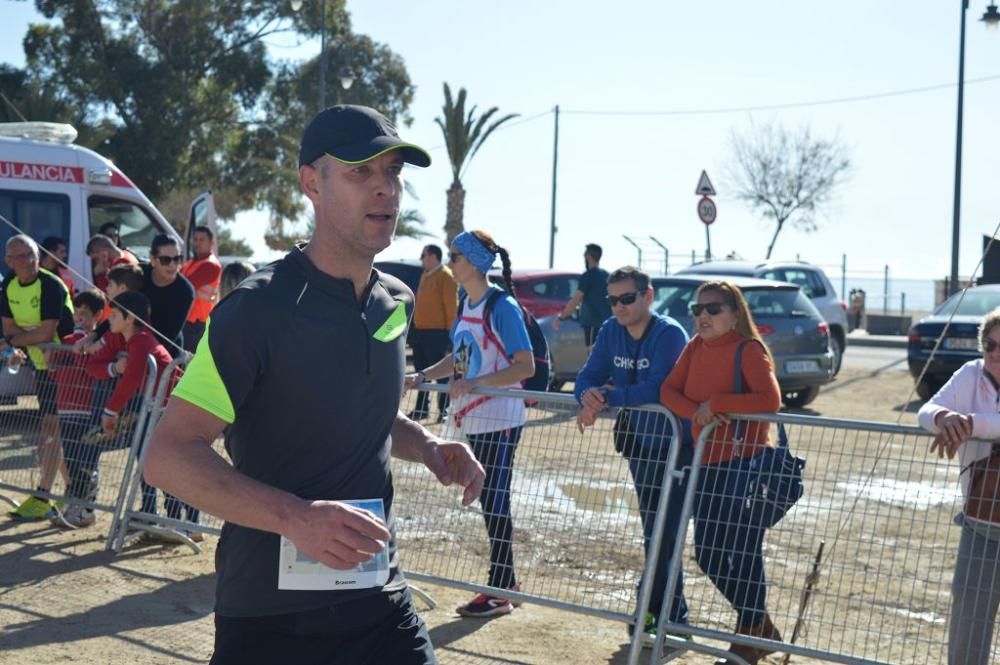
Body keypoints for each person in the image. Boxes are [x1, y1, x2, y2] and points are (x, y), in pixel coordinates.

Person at [143, 104, 484, 665]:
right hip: (270, 618)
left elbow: (359, 408)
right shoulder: (255, 310)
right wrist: (297, 519)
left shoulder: (395, 300)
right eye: (360, 172)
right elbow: (168, 456)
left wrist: (426, 447)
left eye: (393, 172)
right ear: (311, 183)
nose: (386, 190)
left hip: (379, 598)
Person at [405, 230, 535, 618]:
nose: (451, 262)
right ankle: (504, 582)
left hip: (500, 420)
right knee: (491, 502)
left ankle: (501, 586)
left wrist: (475, 383)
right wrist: (424, 375)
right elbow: (459, 357)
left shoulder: (502, 306)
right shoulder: (467, 302)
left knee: (496, 501)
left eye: (456, 255)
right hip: (476, 419)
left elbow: (524, 364)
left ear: (476, 262)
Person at [659, 279, 783, 665]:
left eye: (713, 309)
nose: (704, 316)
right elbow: (668, 392)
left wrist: (716, 404)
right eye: (698, 309)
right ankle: (759, 626)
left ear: (734, 313)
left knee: (745, 552)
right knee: (709, 554)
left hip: (745, 464)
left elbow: (771, 399)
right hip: (706, 462)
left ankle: (749, 637)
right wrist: (699, 414)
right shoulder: (695, 347)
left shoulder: (748, 349)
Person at [573, 266, 691, 647]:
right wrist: (587, 397)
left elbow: (658, 388)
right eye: (612, 300)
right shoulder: (610, 330)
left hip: (680, 449)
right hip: (641, 449)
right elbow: (586, 376)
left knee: (667, 534)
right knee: (655, 533)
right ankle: (673, 616)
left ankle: (653, 612)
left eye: (627, 298)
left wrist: (608, 396)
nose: (619, 307)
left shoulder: (670, 334)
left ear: (648, 296)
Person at [918, 307, 1000, 665]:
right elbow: (927, 410)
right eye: (990, 344)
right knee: (969, 615)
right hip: (982, 519)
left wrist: (969, 423)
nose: (996, 353)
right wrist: (945, 418)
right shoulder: (972, 373)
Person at [85, 291, 197, 534]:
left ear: (130, 318)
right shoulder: (126, 339)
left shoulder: (141, 340)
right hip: (153, 410)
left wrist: (110, 411)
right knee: (148, 464)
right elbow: (94, 367)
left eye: (113, 315)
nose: (108, 320)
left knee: (166, 466)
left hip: (166, 411)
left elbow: (132, 378)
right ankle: (153, 516)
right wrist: (113, 370)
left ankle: (186, 521)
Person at [2, 234, 75, 521]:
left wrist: (15, 341)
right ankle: (70, 491)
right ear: (9, 261)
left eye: (32, 254)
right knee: (50, 431)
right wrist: (16, 342)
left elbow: (45, 333)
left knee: (51, 431)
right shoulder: (8, 285)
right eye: (21, 257)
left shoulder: (51, 285)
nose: (29, 261)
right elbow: (8, 329)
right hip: (40, 365)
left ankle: (48, 493)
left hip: (66, 367)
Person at [49, 288, 106, 528]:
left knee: (85, 460)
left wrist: (78, 339)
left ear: (97, 316)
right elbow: (54, 371)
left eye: (85, 314)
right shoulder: (69, 340)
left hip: (85, 408)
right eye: (77, 313)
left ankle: (87, 508)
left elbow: (87, 365)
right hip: (65, 406)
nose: (79, 318)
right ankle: (74, 503)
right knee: (70, 458)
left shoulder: (95, 343)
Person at [406, 244, 458, 423]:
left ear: (434, 257)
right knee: (421, 373)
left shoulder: (446, 276)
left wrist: (452, 335)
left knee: (440, 375)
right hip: (421, 332)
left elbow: (451, 307)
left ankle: (444, 411)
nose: (421, 258)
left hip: (438, 334)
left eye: (424, 255)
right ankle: (421, 409)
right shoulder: (425, 275)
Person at [142, 234, 194, 356]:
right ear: (153, 260)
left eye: (177, 259)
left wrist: (139, 354)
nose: (172, 265)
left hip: (166, 357)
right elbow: (120, 308)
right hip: (133, 347)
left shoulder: (185, 292)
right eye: (166, 260)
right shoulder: (139, 274)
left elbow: (168, 338)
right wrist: (97, 334)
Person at [552, 243, 612, 349]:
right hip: (608, 323)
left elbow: (576, 299)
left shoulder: (588, 276)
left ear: (589, 256)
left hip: (593, 324)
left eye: (585, 254)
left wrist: (561, 318)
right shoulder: (607, 276)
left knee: (592, 356)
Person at [180, 225, 222, 352]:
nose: (197, 243)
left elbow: (184, 285)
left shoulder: (211, 265)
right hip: (187, 322)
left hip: (197, 326)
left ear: (211, 243)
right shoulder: (190, 263)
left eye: (201, 240)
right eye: (195, 239)